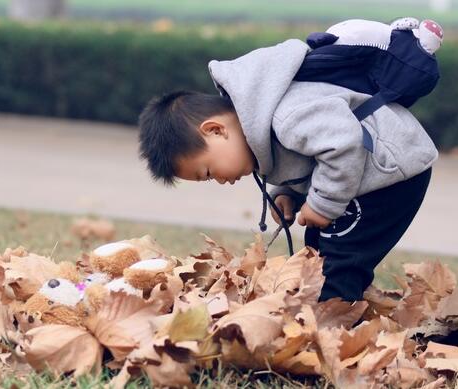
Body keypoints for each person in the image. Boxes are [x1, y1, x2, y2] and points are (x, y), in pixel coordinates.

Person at [138, 30, 438, 302]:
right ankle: (332, 304)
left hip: (390, 173)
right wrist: (288, 192)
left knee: (340, 258)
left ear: (216, 130)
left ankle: (332, 320)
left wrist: (322, 204)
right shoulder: (262, 120)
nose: (218, 180)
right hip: (364, 175)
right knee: (319, 252)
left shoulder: (287, 115)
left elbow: (343, 142)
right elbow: (300, 153)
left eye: (207, 172)